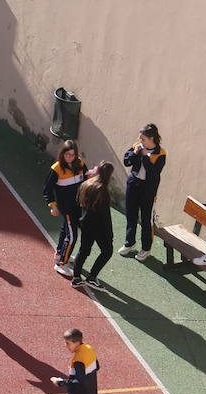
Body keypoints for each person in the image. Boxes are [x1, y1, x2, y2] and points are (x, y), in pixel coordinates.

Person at [119, 123, 166, 261]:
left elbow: (154, 173)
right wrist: (135, 153)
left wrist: (145, 157)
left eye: (143, 139)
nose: (140, 141)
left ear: (151, 139)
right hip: (133, 185)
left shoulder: (161, 154)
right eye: (140, 138)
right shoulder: (137, 146)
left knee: (146, 220)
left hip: (147, 190)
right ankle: (130, 243)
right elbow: (127, 162)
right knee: (131, 216)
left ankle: (146, 249)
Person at [42, 140, 86, 276]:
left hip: (78, 206)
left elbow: (85, 179)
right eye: (67, 154)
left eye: (73, 155)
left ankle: (61, 254)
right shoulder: (56, 169)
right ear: (62, 154)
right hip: (67, 208)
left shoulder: (80, 164)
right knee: (72, 236)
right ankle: (61, 264)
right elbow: (47, 189)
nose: (70, 158)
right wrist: (52, 205)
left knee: (64, 230)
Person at [71, 162, 115, 290]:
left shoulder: (86, 184)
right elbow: (105, 216)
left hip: (85, 224)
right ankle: (91, 277)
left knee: (83, 250)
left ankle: (76, 278)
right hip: (98, 227)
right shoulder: (103, 191)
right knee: (107, 251)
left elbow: (77, 203)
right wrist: (109, 234)